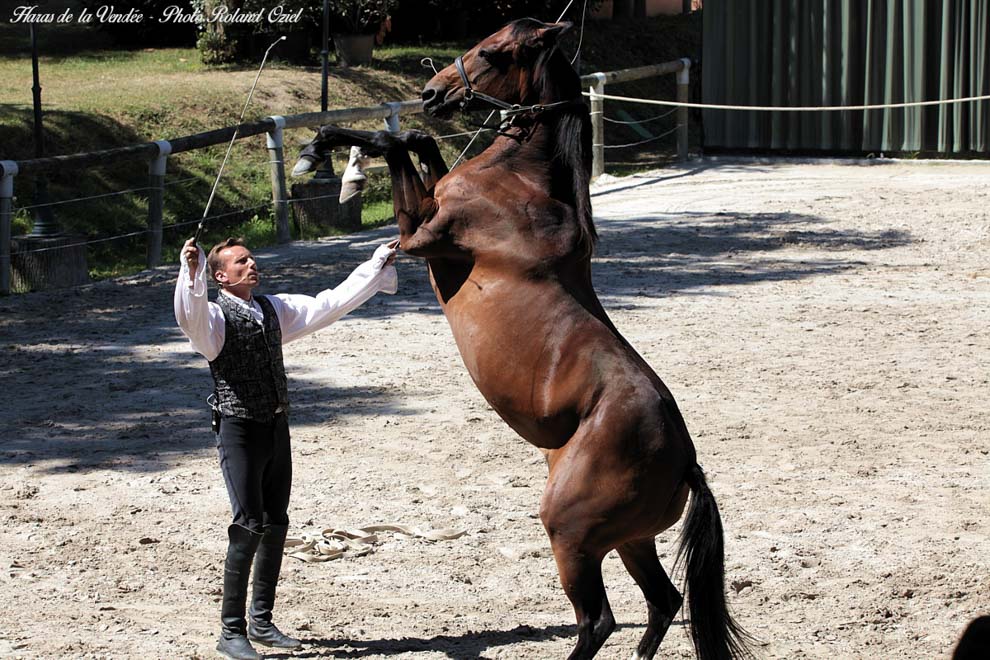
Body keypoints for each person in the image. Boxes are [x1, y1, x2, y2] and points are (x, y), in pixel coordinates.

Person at [174, 236, 398, 660]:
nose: (251, 264)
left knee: (276, 521)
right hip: (239, 430)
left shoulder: (272, 309)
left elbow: (328, 304)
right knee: (248, 525)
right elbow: (190, 316)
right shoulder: (214, 319)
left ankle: (261, 621)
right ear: (221, 276)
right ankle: (231, 631)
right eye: (241, 262)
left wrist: (375, 264)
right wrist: (190, 274)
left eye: (251, 259)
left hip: (277, 426)